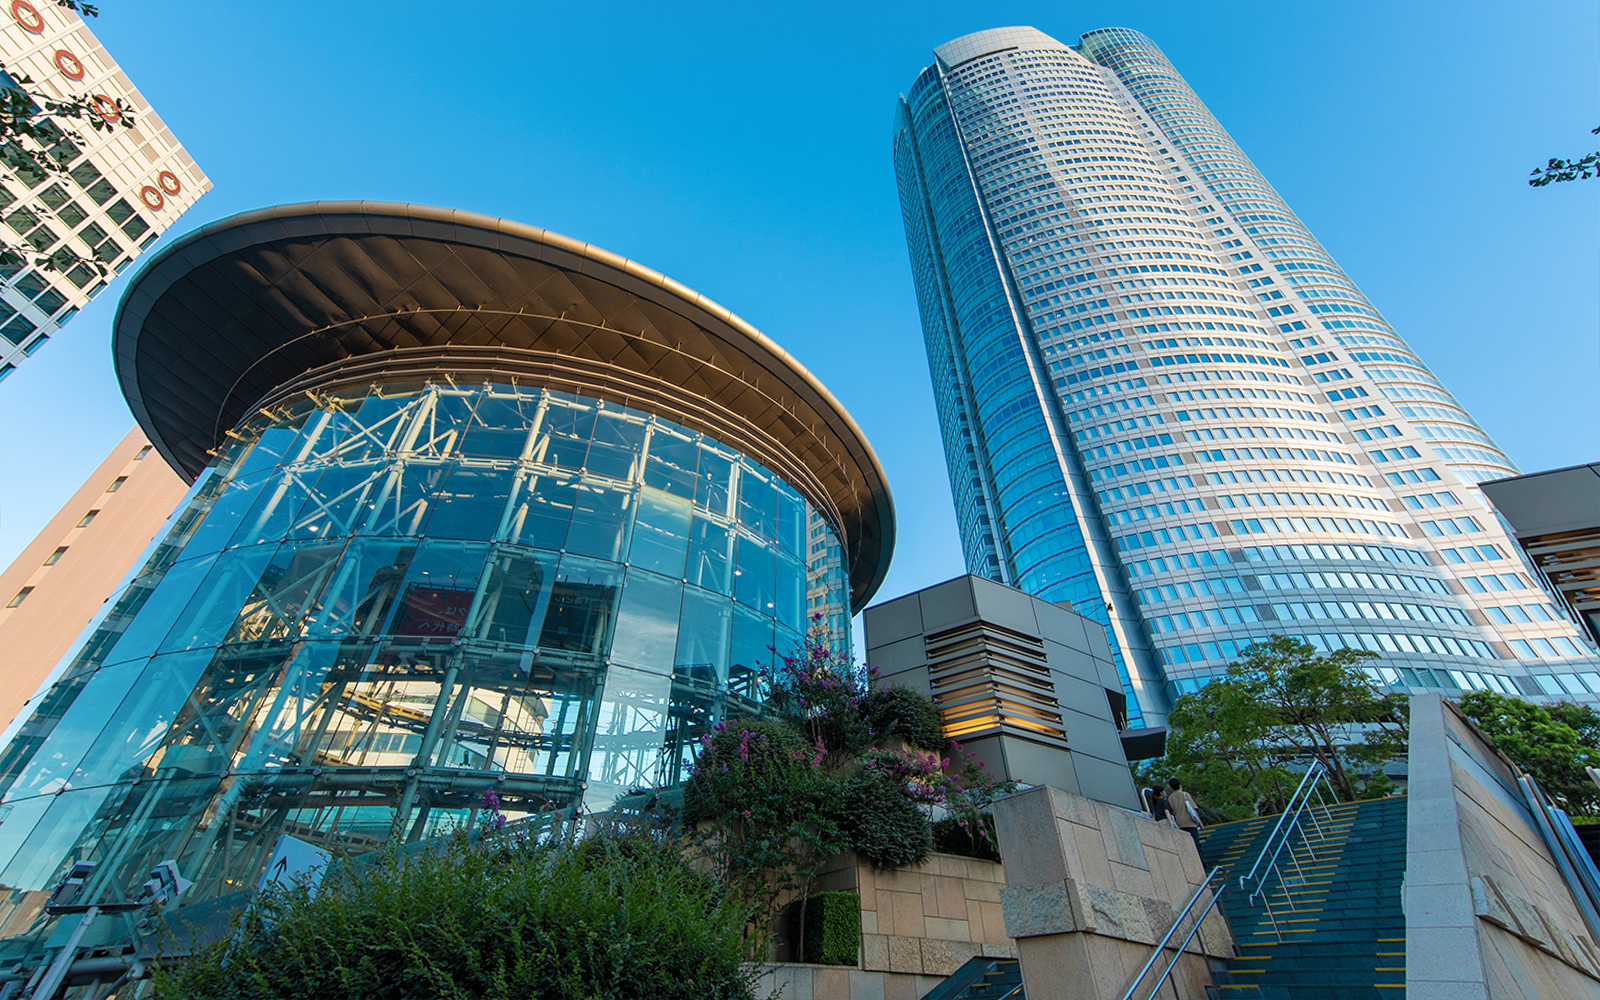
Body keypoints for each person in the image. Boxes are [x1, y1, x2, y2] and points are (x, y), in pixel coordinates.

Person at [1167, 778, 1203, 851]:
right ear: (1180, 785)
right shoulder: (1185, 795)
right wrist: (1200, 823)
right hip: (1190, 822)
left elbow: (1172, 812)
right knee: (1196, 844)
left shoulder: (1170, 798)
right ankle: (1202, 861)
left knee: (1186, 845)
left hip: (1179, 824)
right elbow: (1193, 810)